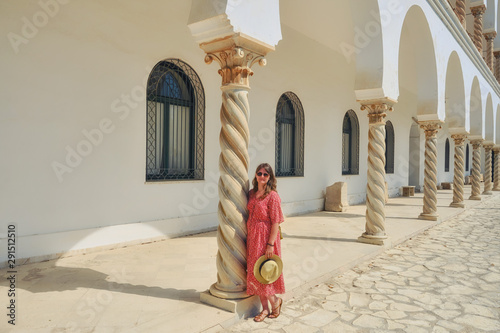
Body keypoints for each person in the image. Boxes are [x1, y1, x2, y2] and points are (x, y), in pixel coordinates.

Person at [246, 163, 285, 322]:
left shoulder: (273, 196)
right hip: (252, 237)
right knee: (256, 273)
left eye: (265, 174)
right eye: (259, 173)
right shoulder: (251, 193)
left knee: (265, 272)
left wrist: (270, 244)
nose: (262, 176)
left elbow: (276, 222)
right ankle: (265, 309)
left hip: (266, 237)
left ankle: (275, 300)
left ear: (270, 177)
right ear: (255, 175)